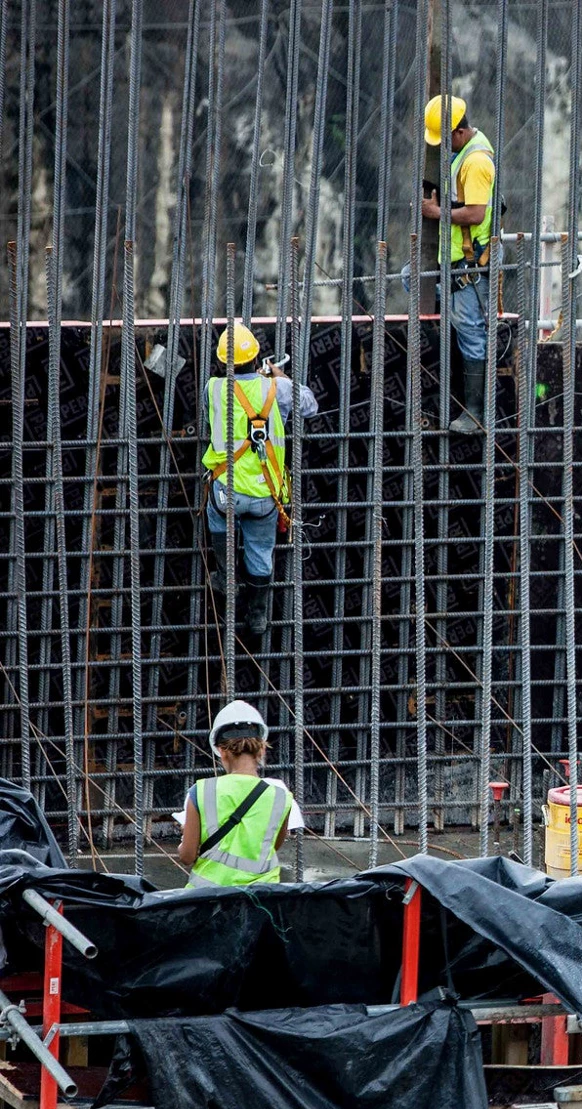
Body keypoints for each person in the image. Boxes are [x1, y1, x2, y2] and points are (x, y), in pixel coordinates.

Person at [203, 321, 318, 638]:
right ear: (256, 359)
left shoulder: (213, 388)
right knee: (260, 553)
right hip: (266, 495)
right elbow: (310, 406)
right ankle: (257, 617)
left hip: (229, 492)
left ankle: (227, 577)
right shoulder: (275, 389)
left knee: (215, 513)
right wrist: (279, 378)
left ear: (223, 363)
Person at [411, 94, 497, 435]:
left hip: (469, 262)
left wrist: (435, 212)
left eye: (446, 138)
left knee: (471, 331)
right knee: (410, 278)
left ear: (459, 133)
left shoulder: (475, 162)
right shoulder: (463, 151)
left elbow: (475, 213)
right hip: (451, 257)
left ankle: (475, 414)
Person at [176, 700, 303, 887]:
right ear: (261, 749)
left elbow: (187, 856)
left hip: (208, 902)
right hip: (262, 903)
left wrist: (187, 835)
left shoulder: (201, 792)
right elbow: (270, 846)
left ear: (222, 751)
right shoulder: (281, 797)